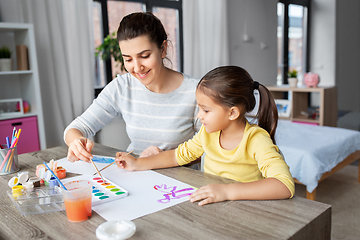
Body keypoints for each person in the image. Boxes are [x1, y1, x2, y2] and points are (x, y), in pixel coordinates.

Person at [115, 66, 295, 206]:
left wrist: (227, 193)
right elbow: (177, 155)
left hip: (247, 209)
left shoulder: (256, 139)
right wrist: (138, 164)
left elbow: (284, 185)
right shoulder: (207, 134)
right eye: (199, 108)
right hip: (214, 205)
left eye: (206, 110)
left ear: (232, 113)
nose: (199, 115)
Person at [64, 12, 200, 163]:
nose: (137, 68)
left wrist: (164, 158)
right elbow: (77, 127)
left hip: (179, 183)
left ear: (163, 49)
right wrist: (76, 142)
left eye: (145, 56)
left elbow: (212, 149)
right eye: (128, 59)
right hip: (134, 176)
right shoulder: (122, 86)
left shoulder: (195, 91)